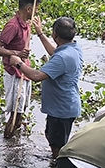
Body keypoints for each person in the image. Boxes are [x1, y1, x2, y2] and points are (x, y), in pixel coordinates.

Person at [11, 17, 83, 158]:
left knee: (57, 145)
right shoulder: (73, 48)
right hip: (65, 106)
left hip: (61, 109)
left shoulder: (63, 57)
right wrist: (40, 33)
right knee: (52, 137)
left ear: (55, 34)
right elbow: (55, 52)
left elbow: (37, 76)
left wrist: (18, 63)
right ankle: (56, 164)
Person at [0, 0, 37, 139]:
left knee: (21, 111)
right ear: (29, 9)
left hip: (24, 71)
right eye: (36, 9)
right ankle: (7, 146)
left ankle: (13, 147)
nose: (37, 12)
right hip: (13, 73)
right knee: (14, 112)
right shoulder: (13, 26)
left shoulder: (26, 24)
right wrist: (16, 53)